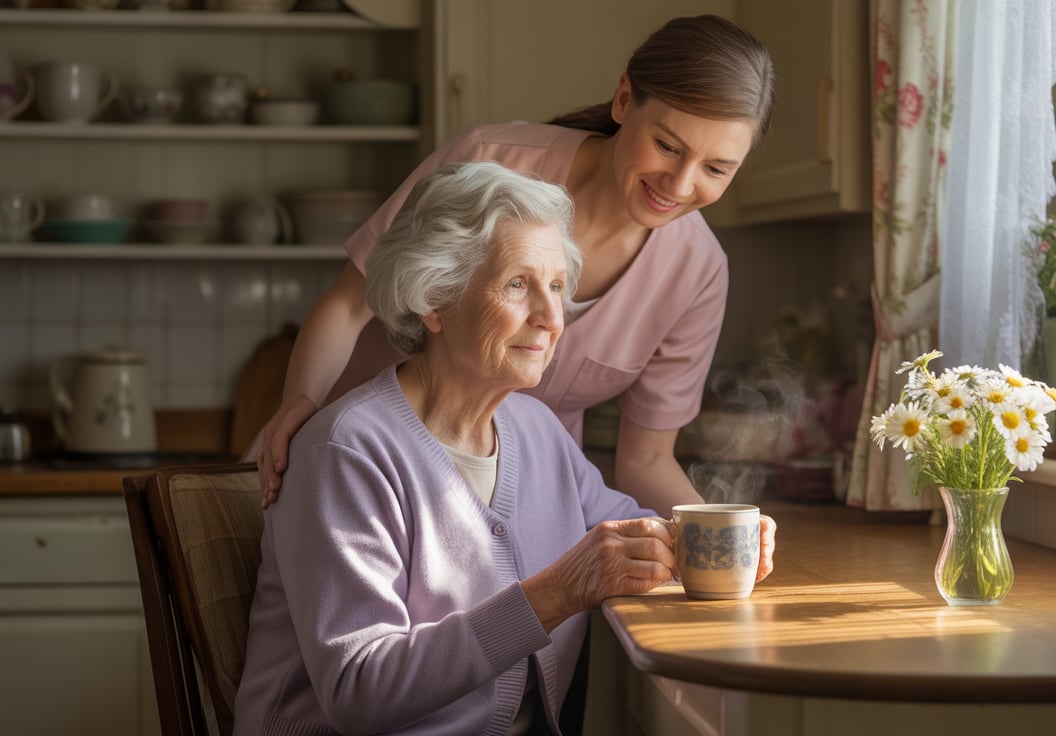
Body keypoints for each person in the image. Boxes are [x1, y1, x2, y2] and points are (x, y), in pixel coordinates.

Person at [232, 161, 777, 735]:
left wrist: (712, 538)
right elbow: (358, 689)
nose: (550, 318)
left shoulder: (537, 431)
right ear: (434, 300)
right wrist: (557, 593)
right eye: (518, 284)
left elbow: (636, 534)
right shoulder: (347, 453)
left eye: (559, 287)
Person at [252, 14, 776, 517]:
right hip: (355, 460)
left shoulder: (698, 271)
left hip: (513, 506)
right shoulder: (491, 161)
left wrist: (718, 533)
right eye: (666, 145)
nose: (680, 185)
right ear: (623, 100)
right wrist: (299, 405)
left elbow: (645, 460)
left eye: (715, 168)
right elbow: (347, 306)